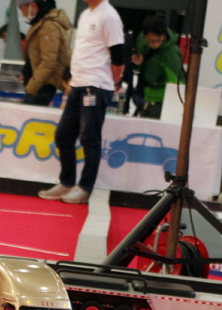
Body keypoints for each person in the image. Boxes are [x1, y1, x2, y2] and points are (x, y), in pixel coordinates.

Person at [38, 0, 124, 204]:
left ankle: (85, 187)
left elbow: (119, 55)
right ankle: (67, 182)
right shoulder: (86, 14)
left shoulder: (109, 16)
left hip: (96, 85)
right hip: (77, 84)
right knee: (63, 135)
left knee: (89, 137)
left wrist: (112, 83)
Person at [17, 0, 72, 106]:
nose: (23, 14)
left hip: (43, 86)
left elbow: (48, 62)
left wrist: (32, 86)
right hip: (40, 83)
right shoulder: (40, 23)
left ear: (32, 6)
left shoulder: (48, 26)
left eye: (22, 9)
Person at [131, 15, 183, 119]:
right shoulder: (141, 43)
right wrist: (137, 63)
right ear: (145, 36)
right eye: (151, 41)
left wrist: (175, 106)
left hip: (161, 102)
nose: (155, 44)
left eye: (159, 40)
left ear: (164, 35)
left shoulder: (171, 53)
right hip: (144, 97)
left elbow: (177, 83)